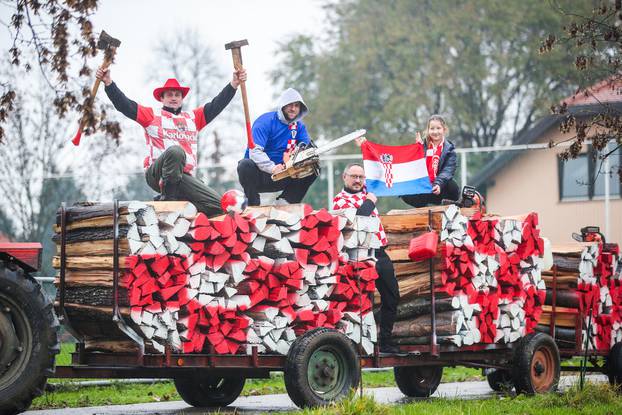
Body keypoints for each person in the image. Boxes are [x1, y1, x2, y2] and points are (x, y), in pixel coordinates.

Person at [95, 66, 246, 216]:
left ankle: (185, 209)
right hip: (157, 173)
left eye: (177, 95)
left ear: (181, 98)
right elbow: (125, 105)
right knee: (176, 151)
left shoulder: (193, 118)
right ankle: (168, 199)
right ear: (162, 98)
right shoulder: (152, 115)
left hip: (183, 176)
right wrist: (109, 83)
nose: (173, 97)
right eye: (169, 95)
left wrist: (233, 84)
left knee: (218, 206)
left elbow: (216, 105)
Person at [332, 163, 399, 353]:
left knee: (392, 295)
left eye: (361, 177)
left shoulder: (367, 193)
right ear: (344, 177)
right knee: (362, 299)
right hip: (359, 255)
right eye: (353, 176)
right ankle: (364, 341)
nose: (357, 180)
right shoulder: (340, 200)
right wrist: (370, 201)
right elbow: (358, 218)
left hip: (379, 252)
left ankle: (386, 339)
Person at [237, 88, 318, 206]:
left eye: (296, 105)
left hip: (285, 175)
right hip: (261, 176)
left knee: (313, 167)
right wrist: (273, 168)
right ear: (282, 106)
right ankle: (253, 205)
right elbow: (254, 152)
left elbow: (306, 148)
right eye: (290, 105)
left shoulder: (299, 127)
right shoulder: (264, 121)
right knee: (244, 165)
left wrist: (301, 156)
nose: (293, 109)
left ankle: (285, 203)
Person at [401, 114, 460, 207]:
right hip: (424, 187)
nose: (435, 131)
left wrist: (438, 184)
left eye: (438, 128)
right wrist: (418, 150)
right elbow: (415, 169)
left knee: (452, 186)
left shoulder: (450, 150)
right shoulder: (422, 146)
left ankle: (445, 207)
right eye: (432, 128)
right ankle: (422, 209)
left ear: (444, 130)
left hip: (440, 188)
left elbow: (447, 171)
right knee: (404, 190)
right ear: (428, 130)